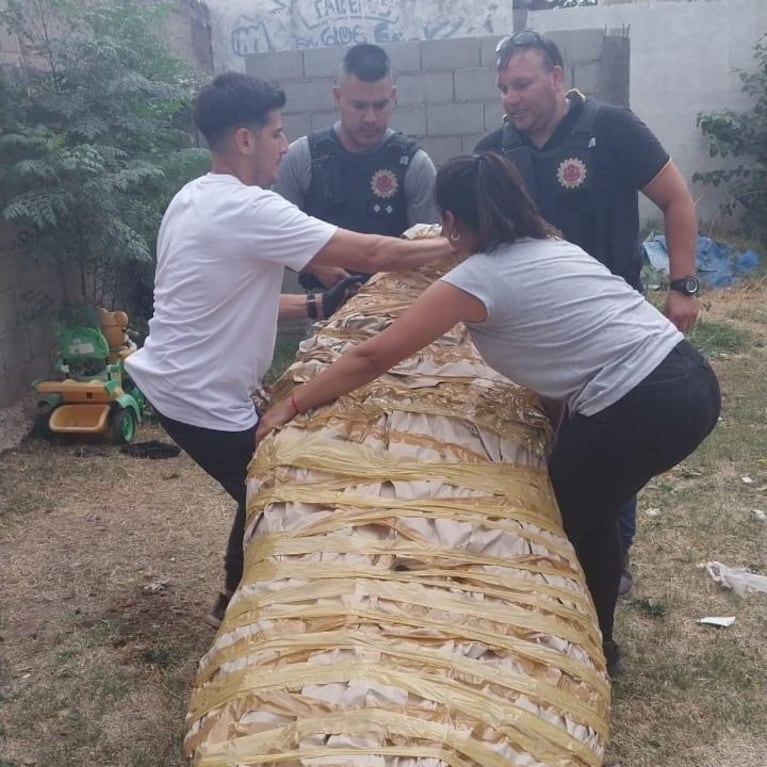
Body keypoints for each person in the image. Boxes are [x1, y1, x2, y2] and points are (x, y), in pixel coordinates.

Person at [257, 153, 721, 676]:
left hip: (643, 403)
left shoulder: (480, 277)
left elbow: (373, 356)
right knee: (594, 516)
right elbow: (563, 347)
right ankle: (599, 648)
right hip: (692, 382)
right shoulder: (553, 248)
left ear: (452, 223)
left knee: (542, 528)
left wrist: (292, 403)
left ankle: (537, 662)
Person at [124, 72, 453, 629]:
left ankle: (232, 597)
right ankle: (261, 621)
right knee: (283, 492)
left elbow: (230, 301)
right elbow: (376, 252)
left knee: (260, 483)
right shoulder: (249, 209)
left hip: (174, 383)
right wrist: (462, 244)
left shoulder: (192, 198)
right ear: (245, 140)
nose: (284, 145)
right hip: (201, 399)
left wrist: (317, 307)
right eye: (276, 134)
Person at [475, 31, 702, 595]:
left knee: (611, 444)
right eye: (503, 88)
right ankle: (570, 557)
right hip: (541, 333)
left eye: (522, 84)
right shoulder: (495, 152)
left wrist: (684, 285)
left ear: (556, 77)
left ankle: (608, 561)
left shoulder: (612, 129)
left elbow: (676, 199)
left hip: (612, 327)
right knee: (560, 444)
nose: (512, 98)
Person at [276, 43, 440, 291]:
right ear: (338, 97)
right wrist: (314, 264)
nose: (371, 118)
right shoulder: (300, 159)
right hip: (324, 313)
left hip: (398, 314)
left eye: (381, 105)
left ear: (393, 97)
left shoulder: (414, 165)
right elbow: (277, 239)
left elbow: (431, 253)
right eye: (359, 106)